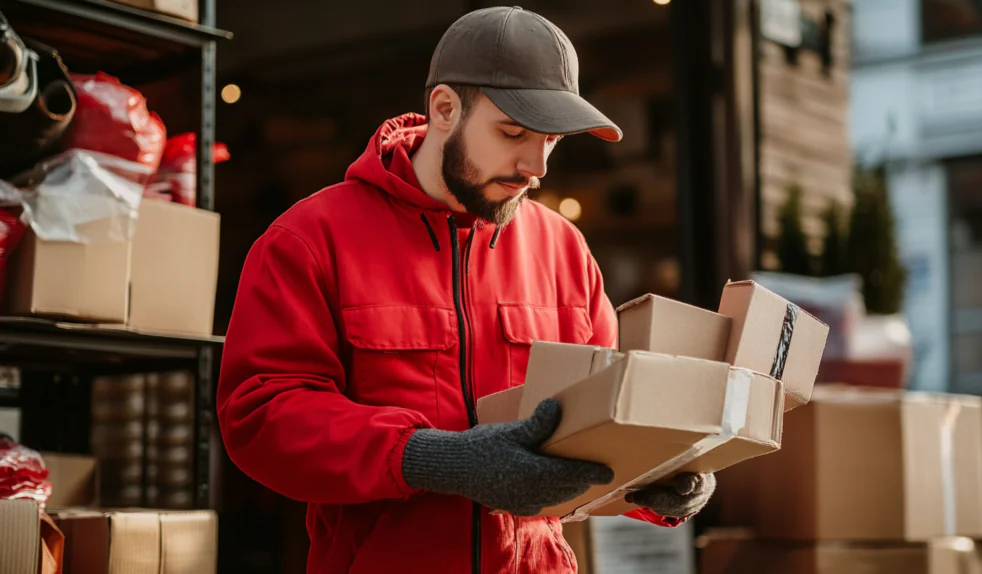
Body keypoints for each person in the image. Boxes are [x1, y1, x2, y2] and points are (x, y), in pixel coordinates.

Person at [217, 6, 715, 573]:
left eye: (550, 140)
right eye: (513, 133)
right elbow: (261, 417)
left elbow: (603, 423)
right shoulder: (310, 239)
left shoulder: (564, 250)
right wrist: (430, 458)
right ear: (445, 109)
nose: (536, 165)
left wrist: (653, 484)